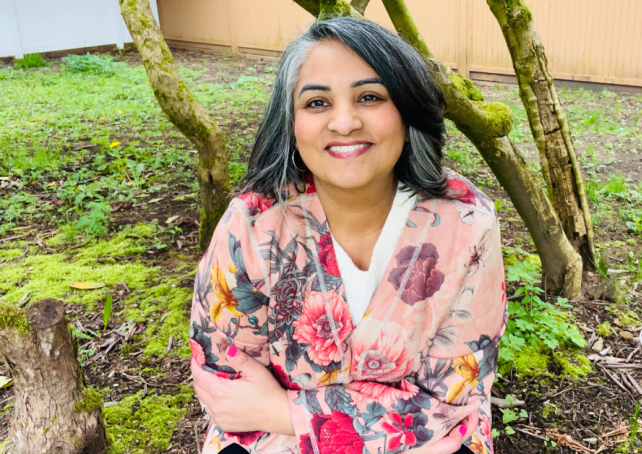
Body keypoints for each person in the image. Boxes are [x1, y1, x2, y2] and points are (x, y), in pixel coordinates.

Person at [189, 17, 506, 454]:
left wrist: (286, 412)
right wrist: (389, 423)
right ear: (292, 122)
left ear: (407, 109)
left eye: (370, 97)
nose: (344, 122)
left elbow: (451, 405)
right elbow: (225, 391)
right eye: (317, 102)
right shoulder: (253, 225)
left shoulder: (465, 223)